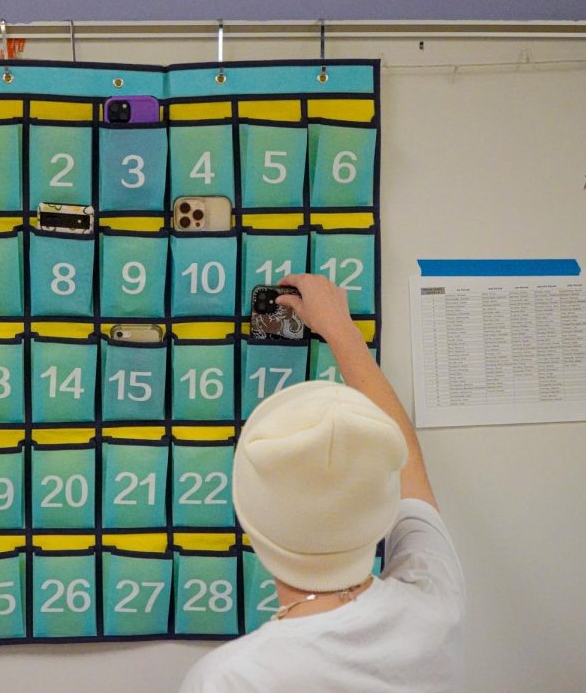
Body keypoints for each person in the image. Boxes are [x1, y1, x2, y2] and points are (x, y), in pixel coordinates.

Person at [178, 273, 465, 692]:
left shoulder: (232, 678)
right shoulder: (435, 605)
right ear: (382, 510)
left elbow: (404, 469)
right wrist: (340, 328)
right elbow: (409, 470)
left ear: (248, 519)